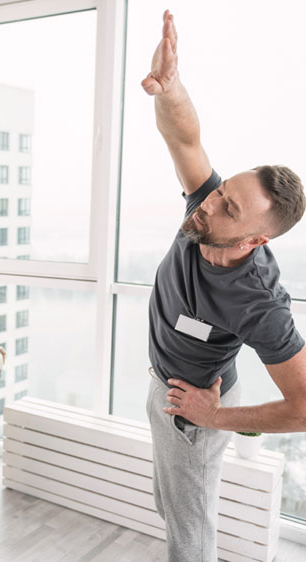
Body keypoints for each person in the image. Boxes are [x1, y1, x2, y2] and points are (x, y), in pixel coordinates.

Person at [143, 10, 306, 562]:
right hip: (167, 390)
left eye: (228, 207)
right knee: (173, 510)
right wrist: (172, 88)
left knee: (190, 540)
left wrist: (214, 418)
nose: (209, 201)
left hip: (196, 407)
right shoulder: (204, 209)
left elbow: (305, 406)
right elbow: (185, 135)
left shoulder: (260, 302)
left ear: (256, 240)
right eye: (220, 191)